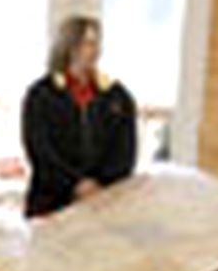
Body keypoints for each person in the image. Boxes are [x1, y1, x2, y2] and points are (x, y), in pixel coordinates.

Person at [21, 15, 137, 217]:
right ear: (69, 46)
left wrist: (100, 185)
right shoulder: (41, 94)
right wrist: (75, 185)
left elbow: (125, 151)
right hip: (51, 203)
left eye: (96, 43)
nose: (95, 50)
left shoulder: (117, 96)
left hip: (103, 204)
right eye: (87, 44)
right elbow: (39, 149)